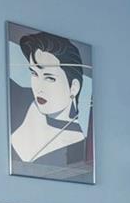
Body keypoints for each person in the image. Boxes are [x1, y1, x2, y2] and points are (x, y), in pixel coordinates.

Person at [8, 30, 91, 177]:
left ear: (74, 87)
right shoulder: (20, 97)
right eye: (34, 73)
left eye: (49, 78)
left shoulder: (77, 150)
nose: (39, 87)